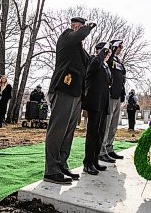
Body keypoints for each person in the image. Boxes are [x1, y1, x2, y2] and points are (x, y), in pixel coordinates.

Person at [43, 16, 96, 185]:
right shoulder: (66, 37)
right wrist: (87, 28)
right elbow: (77, 37)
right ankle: (51, 170)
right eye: (79, 27)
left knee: (68, 132)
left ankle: (62, 165)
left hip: (76, 93)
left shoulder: (79, 48)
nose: (81, 30)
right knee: (58, 129)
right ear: (74, 26)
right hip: (64, 88)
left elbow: (90, 63)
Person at [82, 43, 112, 175]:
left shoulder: (105, 65)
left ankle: (94, 161)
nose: (108, 55)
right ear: (101, 51)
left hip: (104, 103)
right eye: (107, 52)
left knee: (100, 134)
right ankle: (87, 163)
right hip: (94, 102)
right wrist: (103, 51)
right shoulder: (94, 60)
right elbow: (92, 69)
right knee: (92, 133)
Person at [99, 40, 126, 163]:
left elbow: (122, 77)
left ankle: (109, 148)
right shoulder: (109, 59)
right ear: (114, 47)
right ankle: (102, 150)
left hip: (118, 96)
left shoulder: (119, 61)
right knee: (107, 124)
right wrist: (111, 49)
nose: (121, 48)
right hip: (109, 96)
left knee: (114, 126)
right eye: (119, 46)